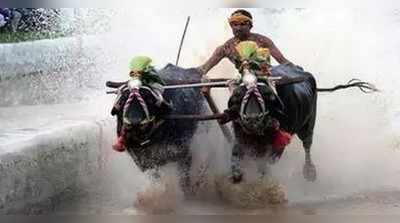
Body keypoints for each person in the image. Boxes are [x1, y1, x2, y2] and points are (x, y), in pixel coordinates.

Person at [112, 56, 166, 152]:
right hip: (131, 115)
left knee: (161, 103)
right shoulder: (126, 89)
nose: (136, 73)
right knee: (119, 110)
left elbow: (160, 96)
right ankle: (121, 138)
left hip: (150, 89)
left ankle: (157, 124)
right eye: (133, 72)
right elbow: (114, 111)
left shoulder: (154, 80)